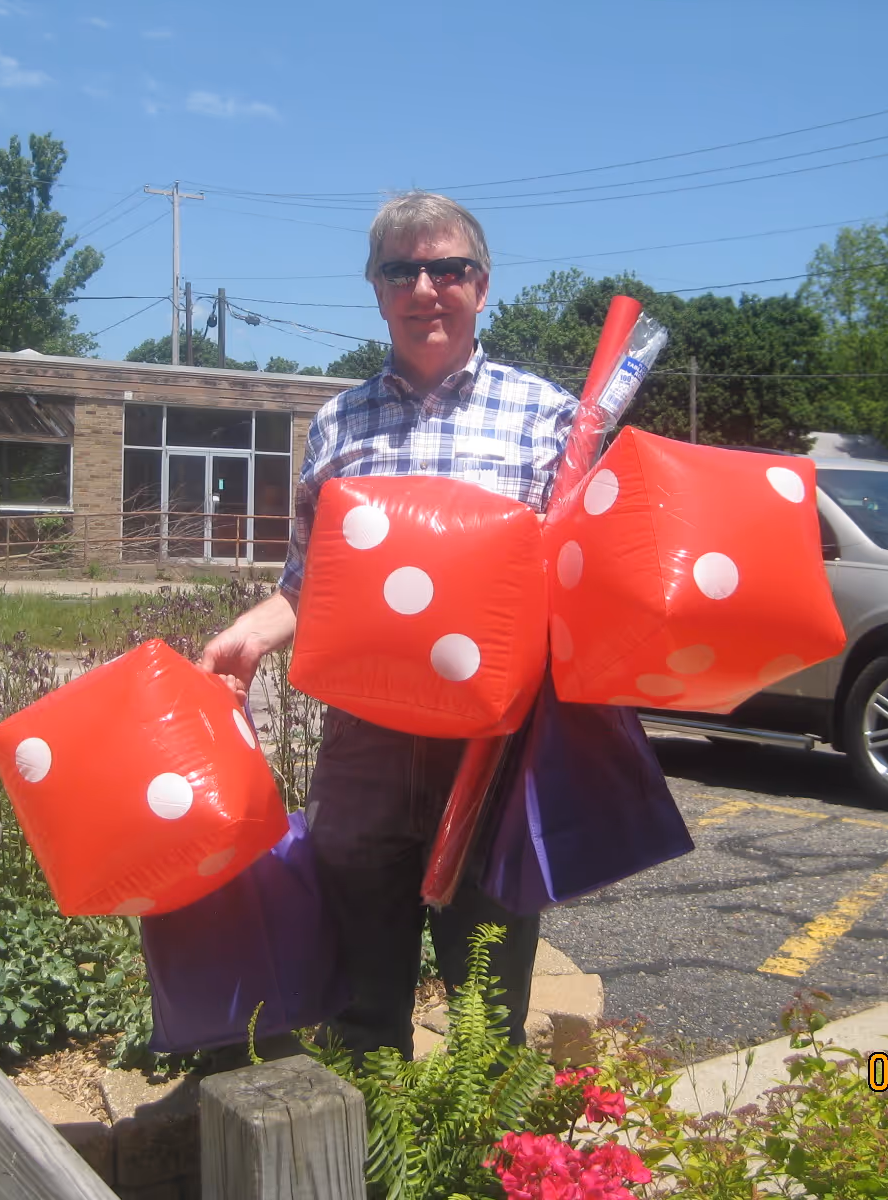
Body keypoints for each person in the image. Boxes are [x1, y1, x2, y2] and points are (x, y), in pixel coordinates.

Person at [198, 192, 579, 1060]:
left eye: (449, 268)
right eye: (401, 270)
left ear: (482, 286)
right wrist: (253, 632)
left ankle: (471, 1178)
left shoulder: (549, 418)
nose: (426, 287)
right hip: (366, 746)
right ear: (376, 291)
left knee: (489, 1009)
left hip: (490, 750)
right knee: (361, 1006)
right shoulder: (339, 422)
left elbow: (576, 579)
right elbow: (309, 582)